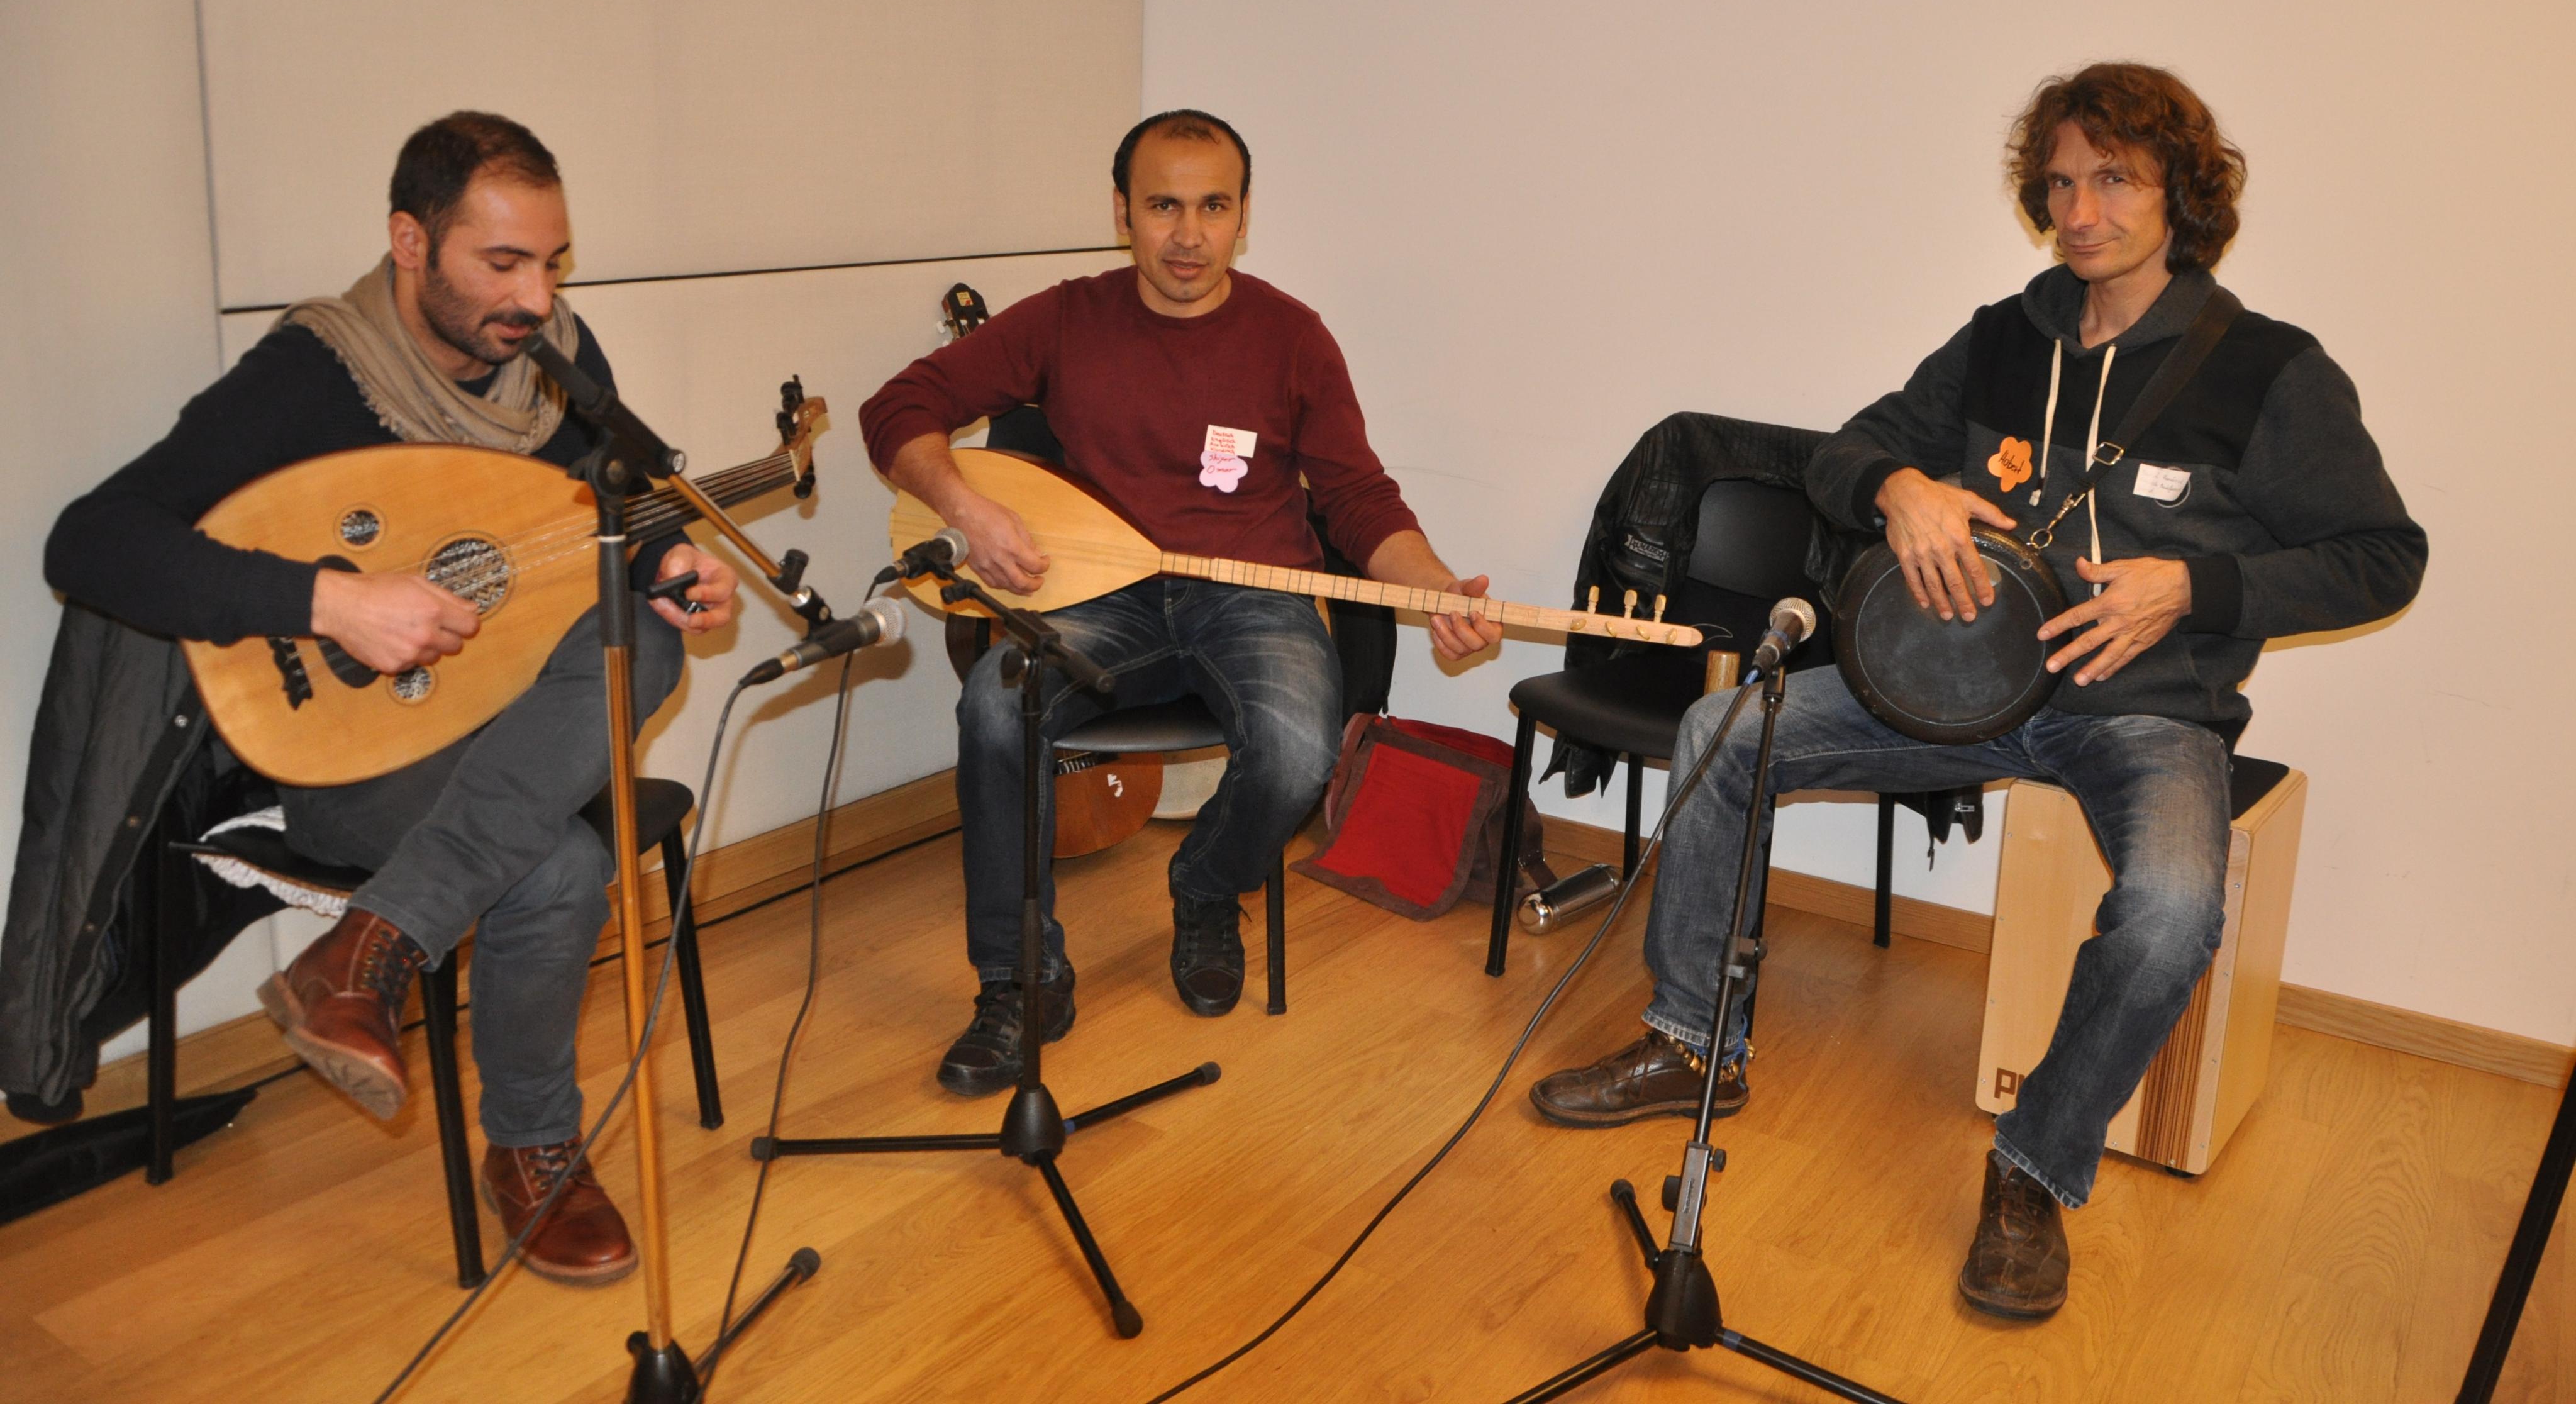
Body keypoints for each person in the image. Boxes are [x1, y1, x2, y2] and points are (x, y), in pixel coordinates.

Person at [1526, 64, 2426, 1319]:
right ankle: (1691, 1043)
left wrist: (2194, 587)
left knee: (2172, 912)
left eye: (2112, 178)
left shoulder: (2270, 371)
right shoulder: (2005, 336)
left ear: (2181, 191)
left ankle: (2032, 1168)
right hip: (1958, 687)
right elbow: (1847, 454)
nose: (2079, 211)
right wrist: (1897, 489)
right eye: (2058, 183)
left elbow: (2383, 556)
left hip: (2145, 715)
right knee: (1720, 731)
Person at [44, 112, 739, 1284]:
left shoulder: (559, 360)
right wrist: (330, 601)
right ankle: (532, 1151)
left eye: (552, 262)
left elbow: (606, 514)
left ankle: (368, 948)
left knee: (650, 645)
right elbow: (92, 541)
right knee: (559, 868)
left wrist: (669, 561)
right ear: (411, 242)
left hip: (506, 733)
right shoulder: (315, 374)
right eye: (501, 262)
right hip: (349, 747)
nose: (535, 298)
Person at [859, 109, 1502, 1096]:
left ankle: (1204, 888)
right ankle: (1019, 982)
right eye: (1164, 207)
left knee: (1298, 745)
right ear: (1123, 213)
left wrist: (1435, 587)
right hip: (1100, 597)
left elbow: (1358, 496)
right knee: (995, 701)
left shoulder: (1292, 337)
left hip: (1253, 596)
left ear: (1244, 217)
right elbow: (897, 408)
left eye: (1213, 207)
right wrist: (966, 508)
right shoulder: (1067, 317)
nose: (1189, 235)